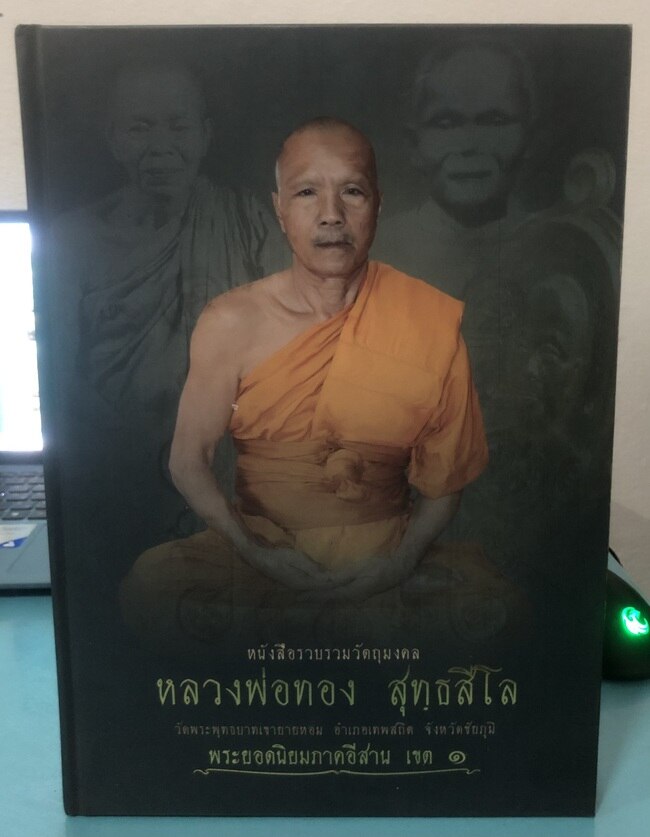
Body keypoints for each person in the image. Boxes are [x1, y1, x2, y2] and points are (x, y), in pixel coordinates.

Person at [120, 117, 495, 651]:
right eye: (306, 192)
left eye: (352, 191)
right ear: (279, 209)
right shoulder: (231, 321)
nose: (331, 215)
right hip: (259, 549)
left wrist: (398, 564)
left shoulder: (428, 320)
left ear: (378, 204)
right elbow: (187, 461)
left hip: (386, 553)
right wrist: (257, 553)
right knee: (150, 589)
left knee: (499, 611)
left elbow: (446, 483)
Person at [45, 61, 287, 572]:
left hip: (233, 476)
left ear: (205, 136)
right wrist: (139, 455)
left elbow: (292, 356)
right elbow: (60, 382)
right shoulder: (70, 241)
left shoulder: (248, 223)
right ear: (113, 139)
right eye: (140, 128)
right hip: (116, 479)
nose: (161, 147)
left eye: (178, 127)